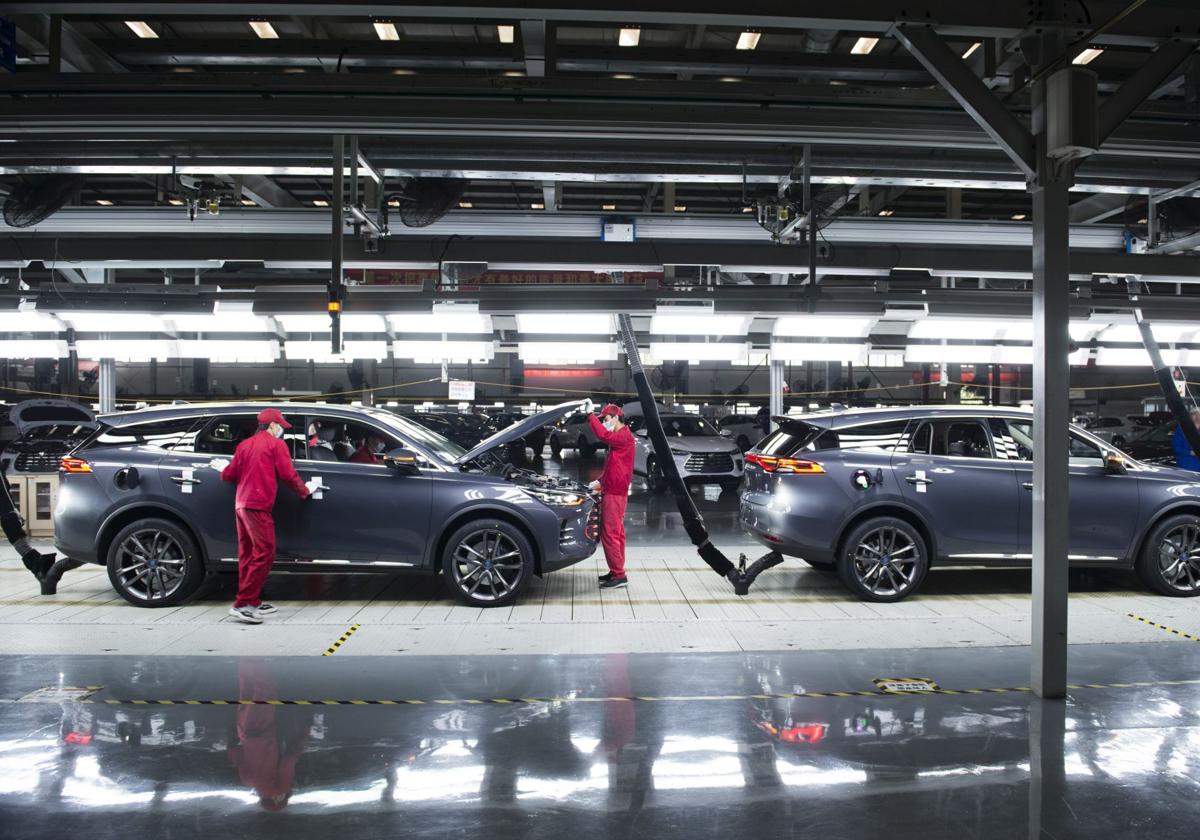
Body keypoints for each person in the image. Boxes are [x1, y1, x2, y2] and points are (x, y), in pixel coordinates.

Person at [213, 408, 312, 624]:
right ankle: (243, 604)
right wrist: (305, 490)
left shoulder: (244, 445)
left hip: (241, 505)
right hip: (258, 505)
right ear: (273, 426)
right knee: (266, 552)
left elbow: (229, 475)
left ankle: (253, 600)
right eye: (281, 427)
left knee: (247, 555)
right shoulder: (276, 445)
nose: (282, 432)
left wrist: (223, 469)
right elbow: (287, 474)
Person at [587, 403, 635, 589]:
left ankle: (618, 575)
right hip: (614, 490)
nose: (605, 424)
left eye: (606, 420)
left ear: (615, 417)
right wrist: (600, 481)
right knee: (617, 534)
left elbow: (603, 435)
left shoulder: (622, 436)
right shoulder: (621, 438)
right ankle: (616, 571)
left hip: (615, 494)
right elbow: (614, 466)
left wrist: (590, 415)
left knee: (610, 534)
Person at [1173, 407, 1200, 471]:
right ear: (1190, 416)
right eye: (1193, 414)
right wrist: (1190, 452)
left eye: (1198, 414)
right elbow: (1176, 447)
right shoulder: (1182, 429)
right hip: (1186, 466)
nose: (1196, 416)